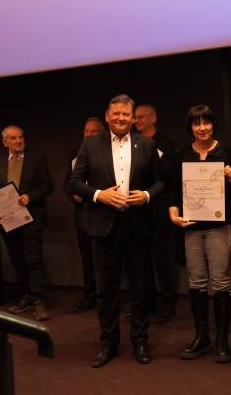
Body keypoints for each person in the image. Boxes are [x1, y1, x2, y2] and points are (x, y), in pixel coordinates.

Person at [69, 94, 164, 368]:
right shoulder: (90, 144)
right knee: (106, 290)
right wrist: (99, 195)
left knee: (139, 289)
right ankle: (108, 343)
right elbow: (74, 182)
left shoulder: (147, 145)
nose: (121, 118)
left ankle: (140, 341)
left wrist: (147, 195)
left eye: (126, 114)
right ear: (107, 116)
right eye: (116, 114)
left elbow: (160, 182)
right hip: (103, 227)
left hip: (137, 226)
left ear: (133, 118)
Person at [167, 105, 231, 363]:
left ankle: (222, 340)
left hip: (219, 226)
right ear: (190, 127)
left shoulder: (226, 152)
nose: (202, 128)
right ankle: (202, 337)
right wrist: (173, 211)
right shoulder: (182, 154)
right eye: (196, 123)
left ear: (213, 124)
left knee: (220, 281)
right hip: (191, 227)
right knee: (196, 282)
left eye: (206, 122)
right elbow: (173, 189)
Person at [0, 125, 53, 321]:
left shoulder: (36, 159)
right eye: (13, 138)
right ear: (5, 142)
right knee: (18, 260)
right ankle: (27, 297)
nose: (18, 141)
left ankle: (39, 300)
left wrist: (30, 196)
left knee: (34, 260)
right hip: (8, 220)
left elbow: (48, 185)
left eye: (21, 137)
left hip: (31, 218)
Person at [134, 103, 179, 322]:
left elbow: (166, 177)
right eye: (135, 117)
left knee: (163, 261)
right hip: (139, 211)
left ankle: (168, 306)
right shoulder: (133, 143)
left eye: (141, 117)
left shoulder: (165, 145)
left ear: (153, 119)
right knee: (141, 262)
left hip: (161, 209)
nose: (137, 121)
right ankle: (148, 304)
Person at [63, 117, 104, 312]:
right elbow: (67, 184)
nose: (89, 135)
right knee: (87, 259)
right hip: (82, 216)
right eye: (86, 131)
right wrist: (73, 194)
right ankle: (89, 295)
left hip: (101, 214)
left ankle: (105, 296)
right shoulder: (76, 154)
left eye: (93, 131)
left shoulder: (107, 153)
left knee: (103, 260)